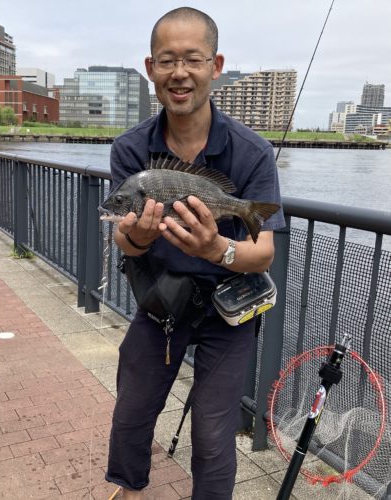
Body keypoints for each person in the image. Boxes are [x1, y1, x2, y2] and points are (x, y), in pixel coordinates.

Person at [105, 7, 285, 499]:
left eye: (192, 59)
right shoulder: (131, 150)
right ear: (151, 68)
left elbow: (263, 253)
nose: (179, 73)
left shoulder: (251, 152)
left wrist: (216, 248)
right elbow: (123, 237)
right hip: (161, 302)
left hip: (229, 309)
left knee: (212, 432)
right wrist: (139, 237)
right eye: (167, 61)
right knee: (132, 411)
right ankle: (129, 486)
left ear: (215, 65)